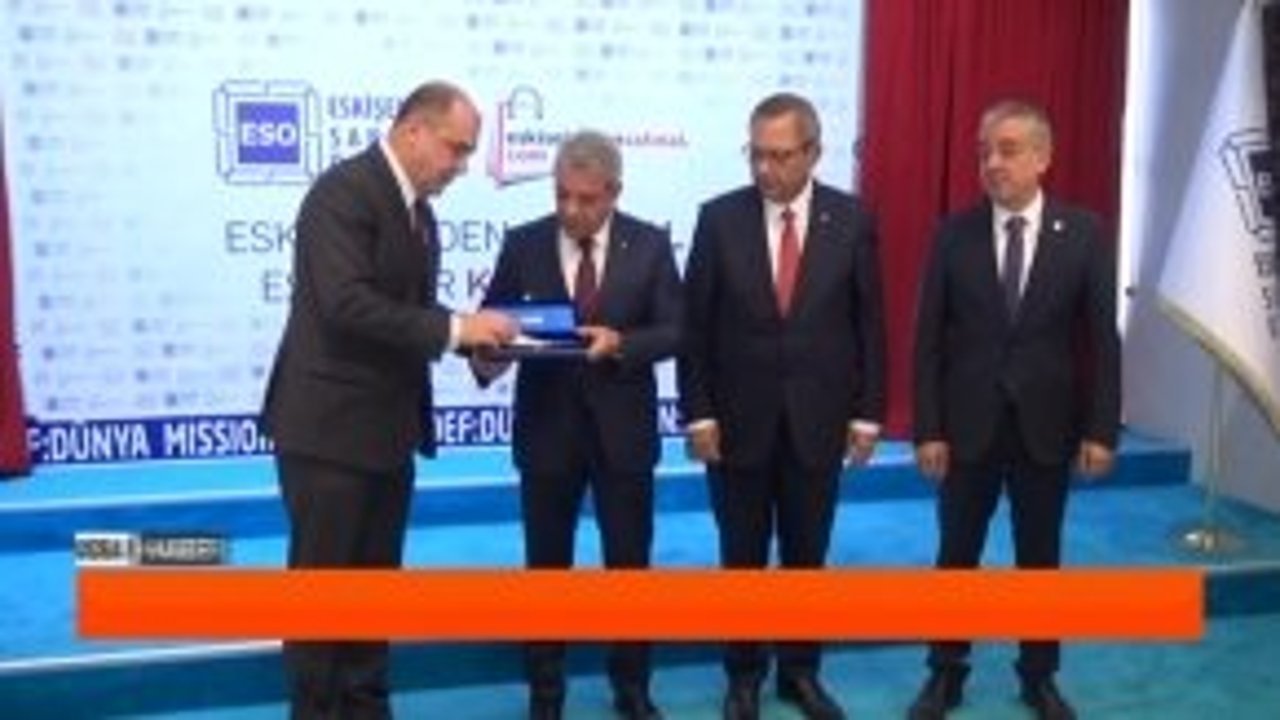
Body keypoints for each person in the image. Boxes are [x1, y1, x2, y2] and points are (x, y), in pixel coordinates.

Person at [261, 80, 517, 720]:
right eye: (457, 149)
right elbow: (347, 305)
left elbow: (406, 315)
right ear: (413, 132)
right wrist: (457, 328)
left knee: (374, 593)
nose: (463, 166)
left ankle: (367, 708)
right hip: (327, 434)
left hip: (386, 434)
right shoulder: (342, 193)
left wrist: (475, 346)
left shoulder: (420, 213)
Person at [907, 98, 1121, 720]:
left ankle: (1038, 676)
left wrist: (1102, 429)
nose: (993, 164)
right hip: (967, 426)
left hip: (1046, 426)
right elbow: (927, 340)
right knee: (957, 555)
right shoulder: (953, 234)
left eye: (1007, 150)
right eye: (984, 152)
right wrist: (928, 428)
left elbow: (1101, 339)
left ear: (1042, 157)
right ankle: (945, 673)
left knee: (1039, 557)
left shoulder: (1083, 233)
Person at [677, 92, 886, 720]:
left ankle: (800, 673)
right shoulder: (719, 219)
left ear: (813, 152)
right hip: (737, 424)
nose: (765, 168)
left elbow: (869, 324)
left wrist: (867, 413)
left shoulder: (852, 219)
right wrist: (699, 413)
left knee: (805, 556)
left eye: (780, 155)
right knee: (741, 558)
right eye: (756, 155)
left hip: (818, 421)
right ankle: (742, 677)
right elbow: (695, 328)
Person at [472, 130, 681, 720]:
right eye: (562, 195)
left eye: (586, 199)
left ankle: (632, 689)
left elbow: (676, 329)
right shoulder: (523, 244)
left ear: (614, 191)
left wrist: (623, 343)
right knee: (546, 571)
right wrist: (485, 353)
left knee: (629, 569)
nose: (571, 209)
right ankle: (546, 695)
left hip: (624, 435)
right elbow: (492, 324)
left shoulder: (650, 244)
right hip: (547, 433)